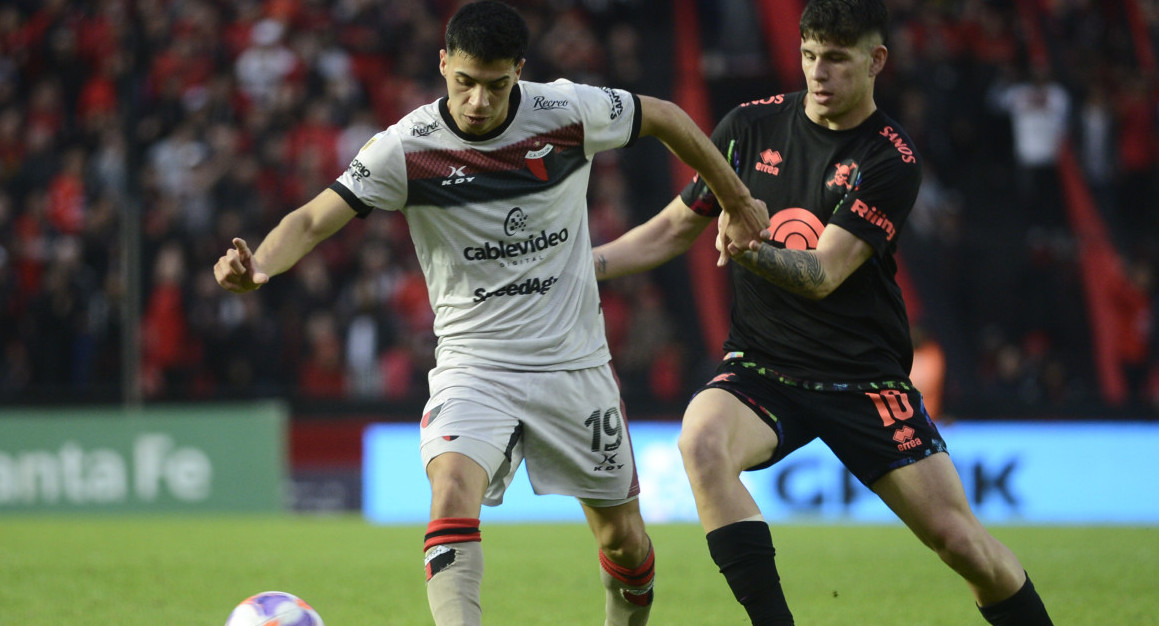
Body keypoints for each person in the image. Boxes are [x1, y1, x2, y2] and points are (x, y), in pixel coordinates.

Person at [213, 2, 765, 625]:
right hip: (474, 368)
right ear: (443, 64)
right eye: (465, 82)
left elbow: (664, 116)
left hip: (574, 366)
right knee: (450, 491)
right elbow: (314, 218)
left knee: (623, 542)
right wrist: (259, 264)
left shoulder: (566, 111)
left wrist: (736, 199)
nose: (478, 100)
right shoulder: (406, 148)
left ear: (519, 73)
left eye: (497, 86)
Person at [592, 1, 1054, 624]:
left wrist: (749, 246)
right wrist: (580, 268)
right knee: (702, 441)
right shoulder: (748, 127)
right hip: (763, 368)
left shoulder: (890, 158)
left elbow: (823, 273)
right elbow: (670, 231)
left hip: (863, 378)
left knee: (962, 545)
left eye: (836, 58)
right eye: (810, 55)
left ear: (876, 60)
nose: (818, 72)